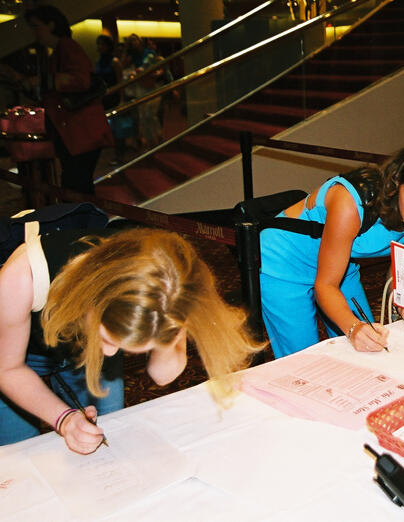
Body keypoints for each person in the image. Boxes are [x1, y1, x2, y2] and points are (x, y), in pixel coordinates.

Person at [0, 227, 263, 454]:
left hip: (75, 343)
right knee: (18, 449)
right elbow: (7, 369)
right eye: (107, 338)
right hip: (16, 355)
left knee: (104, 438)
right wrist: (63, 420)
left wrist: (175, 326)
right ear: (94, 301)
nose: (110, 353)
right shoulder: (21, 278)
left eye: (125, 347)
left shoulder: (157, 287)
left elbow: (162, 376)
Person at [259, 133, 404, 358]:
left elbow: (403, 274)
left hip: (340, 264)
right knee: (304, 360)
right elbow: (325, 285)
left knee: (369, 349)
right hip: (284, 261)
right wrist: (353, 328)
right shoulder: (351, 201)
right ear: (396, 181)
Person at [5, 6, 113, 194]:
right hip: (76, 132)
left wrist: (40, 81)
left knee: (76, 186)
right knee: (76, 185)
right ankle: (84, 221)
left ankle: (83, 222)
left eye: (36, 26)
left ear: (51, 25)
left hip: (80, 131)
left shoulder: (67, 47)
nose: (34, 32)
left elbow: (80, 80)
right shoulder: (59, 51)